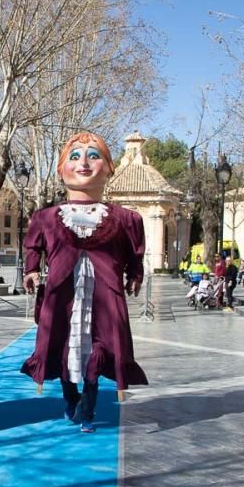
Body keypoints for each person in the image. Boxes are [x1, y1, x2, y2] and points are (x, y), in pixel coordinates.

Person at [21, 132, 147, 433]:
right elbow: (33, 247)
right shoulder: (46, 217)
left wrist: (135, 275)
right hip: (62, 294)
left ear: (108, 168)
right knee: (64, 347)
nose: (84, 163)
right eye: (74, 157)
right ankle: (70, 397)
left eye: (94, 156)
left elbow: (134, 253)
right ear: (62, 169)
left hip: (104, 295)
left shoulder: (126, 219)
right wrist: (32, 269)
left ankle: (89, 412)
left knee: (95, 353)